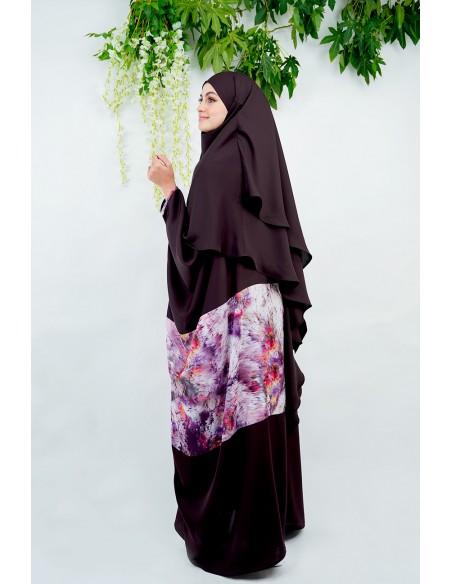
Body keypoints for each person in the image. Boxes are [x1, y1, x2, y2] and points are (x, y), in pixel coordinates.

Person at [147, 70, 313, 577]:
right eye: (199, 97)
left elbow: (193, 255)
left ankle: (239, 539)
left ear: (235, 106)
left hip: (233, 313)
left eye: (212, 99)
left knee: (226, 413)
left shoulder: (218, 163)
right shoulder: (257, 156)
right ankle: (271, 522)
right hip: (262, 311)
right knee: (257, 413)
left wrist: (169, 192)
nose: (200, 106)